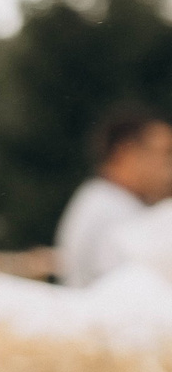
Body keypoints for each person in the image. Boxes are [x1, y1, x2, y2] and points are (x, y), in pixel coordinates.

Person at [54, 105, 172, 288]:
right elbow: (134, 291)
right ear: (125, 153)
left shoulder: (101, 199)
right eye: (164, 154)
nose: (168, 168)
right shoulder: (112, 212)